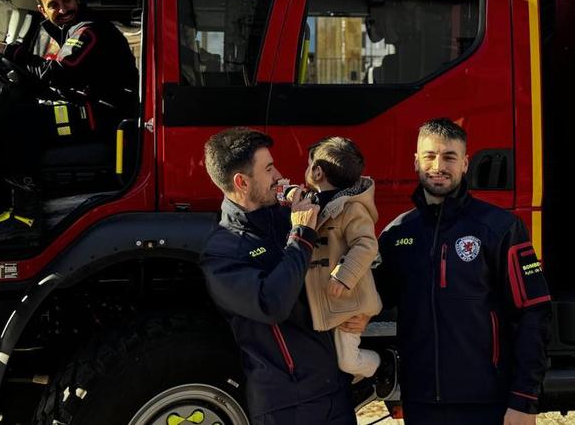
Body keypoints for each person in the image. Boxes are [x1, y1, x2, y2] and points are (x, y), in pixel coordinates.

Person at [376, 118, 552, 425]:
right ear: (416, 161)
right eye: (429, 156)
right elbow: (370, 301)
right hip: (421, 401)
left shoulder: (500, 228)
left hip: (487, 401)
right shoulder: (396, 234)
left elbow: (533, 314)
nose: (438, 166)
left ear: (465, 163)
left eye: (449, 157)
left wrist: (525, 399)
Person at [200, 127, 366, 425]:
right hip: (286, 406)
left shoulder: (287, 216)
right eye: (268, 168)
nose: (278, 174)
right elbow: (272, 303)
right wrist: (301, 236)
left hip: (334, 392)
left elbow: (338, 269)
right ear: (241, 182)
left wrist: (356, 313)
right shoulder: (222, 252)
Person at [0, 0, 138, 242]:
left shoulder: (89, 30)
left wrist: (10, 51)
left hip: (104, 116)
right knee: (23, 116)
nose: (63, 8)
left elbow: (60, 72)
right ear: (42, 10)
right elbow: (62, 80)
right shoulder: (71, 30)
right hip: (95, 109)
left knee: (16, 123)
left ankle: (26, 217)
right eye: (54, 4)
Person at [292, 137, 396, 398]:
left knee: (347, 361)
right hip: (328, 302)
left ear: (317, 171)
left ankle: (384, 363)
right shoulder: (312, 201)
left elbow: (366, 245)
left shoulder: (352, 209)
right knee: (331, 361)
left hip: (349, 301)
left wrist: (343, 276)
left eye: (308, 165)